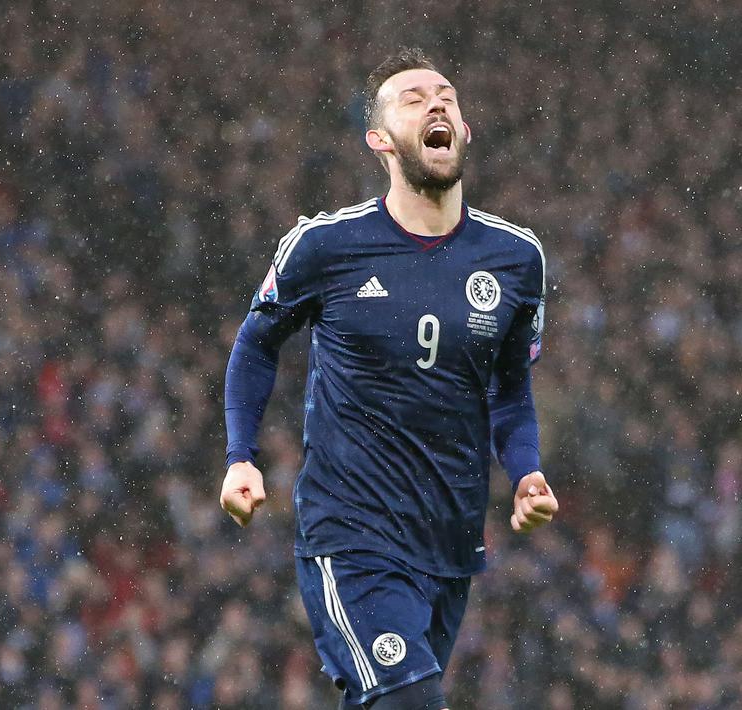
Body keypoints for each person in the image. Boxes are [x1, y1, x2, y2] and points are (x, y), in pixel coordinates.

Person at [219, 48, 558, 709]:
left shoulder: (516, 259)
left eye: (446, 97)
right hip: (351, 534)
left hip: (449, 541)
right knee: (410, 700)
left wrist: (525, 472)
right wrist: (240, 456)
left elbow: (510, 388)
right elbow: (255, 346)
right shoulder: (325, 245)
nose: (435, 105)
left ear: (463, 130)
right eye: (413, 99)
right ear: (379, 140)